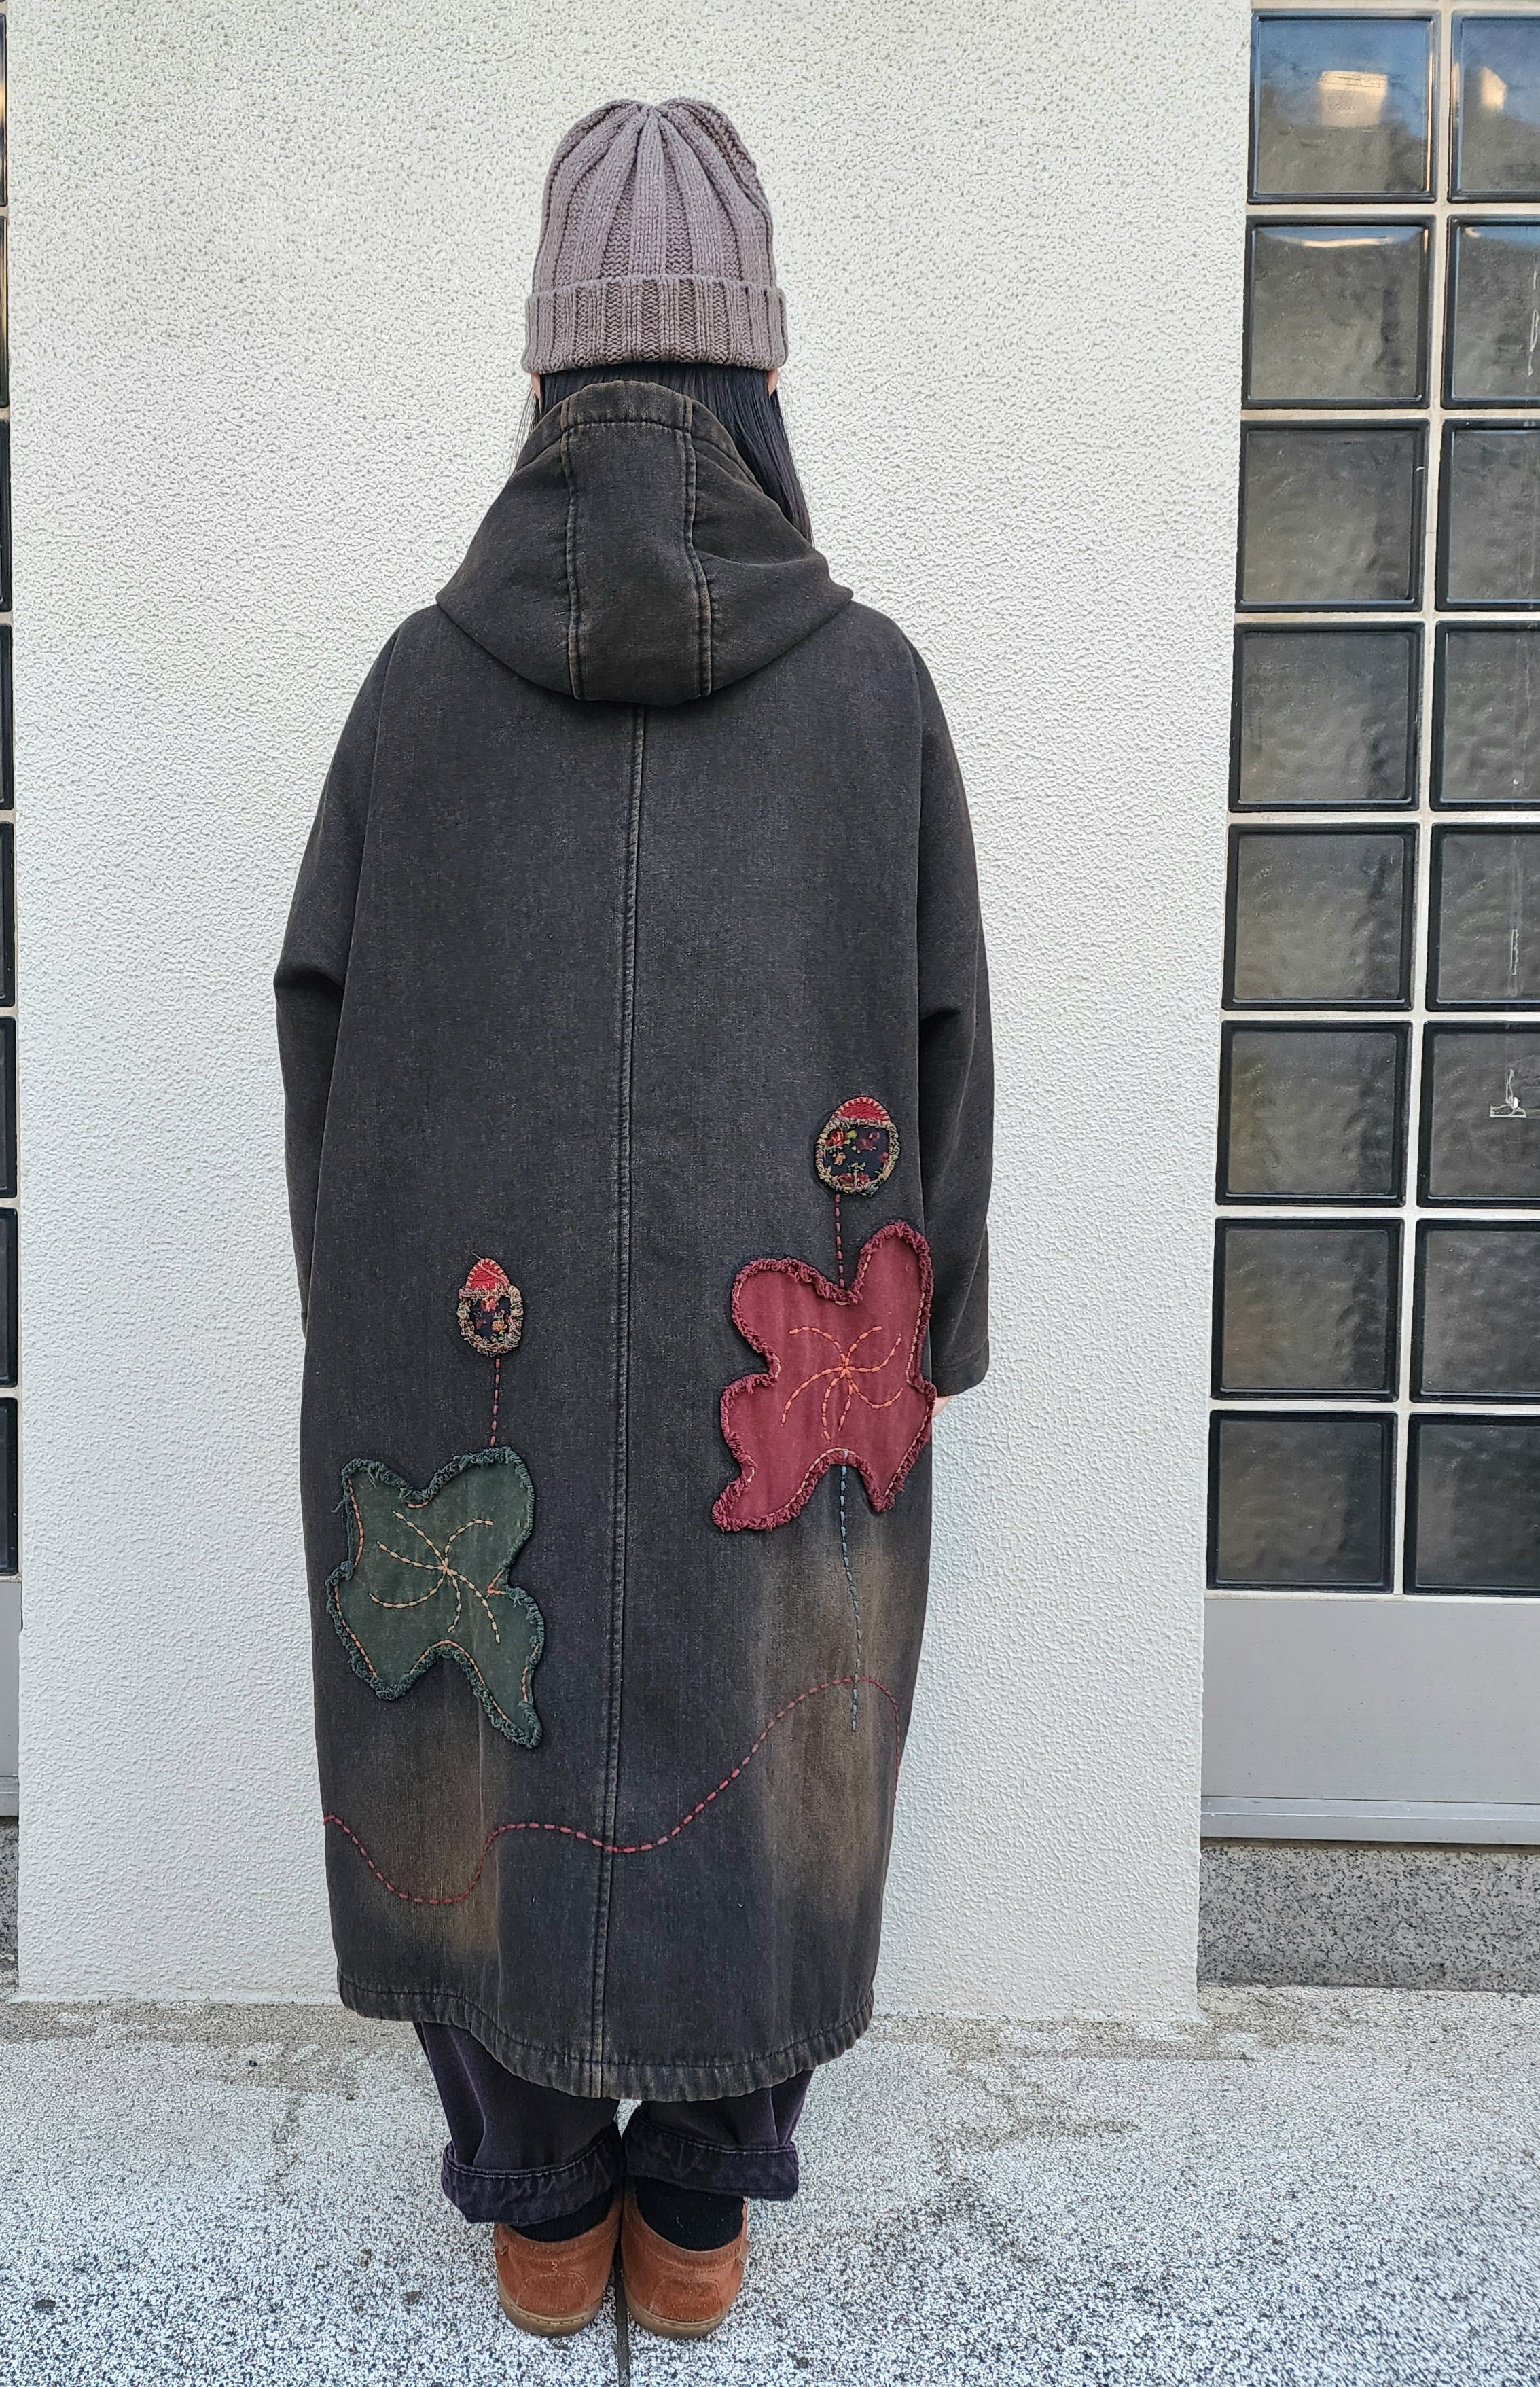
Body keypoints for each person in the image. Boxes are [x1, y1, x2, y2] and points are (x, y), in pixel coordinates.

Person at [275, 95, 992, 2341]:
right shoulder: (871, 691)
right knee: (778, 1689)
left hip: (449, 1331)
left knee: (465, 1690)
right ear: (761, 375)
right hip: (797, 1350)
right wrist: (943, 1324)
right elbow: (949, 1036)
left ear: (539, 372)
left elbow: (316, 1018)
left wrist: (358, 1309)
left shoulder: (416, 686)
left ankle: (531, 2192)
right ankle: (695, 2208)